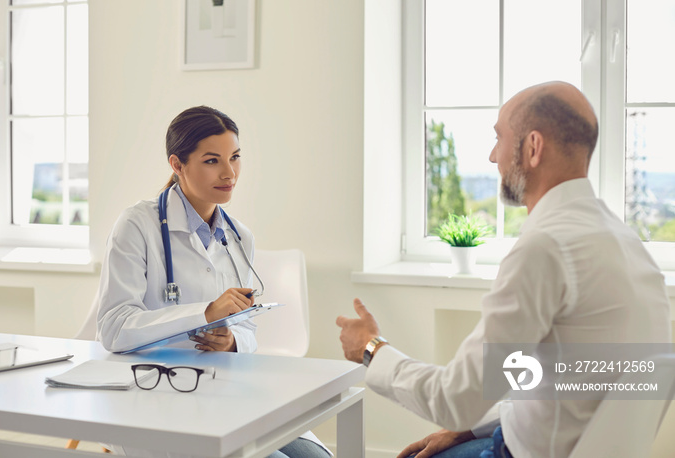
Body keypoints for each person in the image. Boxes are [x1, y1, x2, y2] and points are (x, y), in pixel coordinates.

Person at [336, 82, 672, 458]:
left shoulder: (545, 247)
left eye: (499, 137)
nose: (493, 156)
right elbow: (565, 377)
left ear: (532, 147)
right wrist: (470, 428)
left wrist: (371, 347)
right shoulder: (623, 241)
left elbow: (452, 399)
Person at [96, 106, 330, 458]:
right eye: (211, 161)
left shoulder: (239, 237)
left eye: (235, 157)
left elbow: (247, 326)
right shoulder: (137, 226)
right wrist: (205, 313)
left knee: (317, 457)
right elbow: (113, 329)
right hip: (158, 392)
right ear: (177, 164)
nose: (229, 173)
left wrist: (232, 339)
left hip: (226, 389)